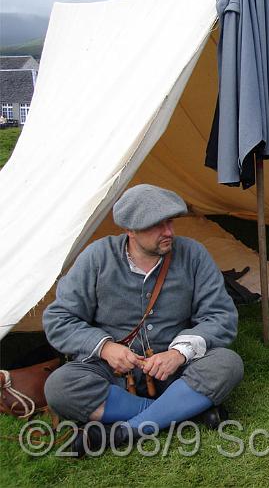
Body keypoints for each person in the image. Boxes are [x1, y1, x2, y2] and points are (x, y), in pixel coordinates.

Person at [43, 184, 244, 455]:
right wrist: (106, 348)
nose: (169, 232)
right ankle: (180, 412)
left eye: (170, 222)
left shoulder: (193, 255)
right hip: (111, 375)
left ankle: (125, 431)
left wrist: (178, 353)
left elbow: (221, 316)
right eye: (156, 226)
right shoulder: (97, 258)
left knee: (227, 364)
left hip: (175, 374)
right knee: (59, 386)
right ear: (130, 230)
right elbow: (59, 318)